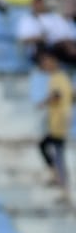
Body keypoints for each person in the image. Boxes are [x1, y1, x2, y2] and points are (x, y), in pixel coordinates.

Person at [38, 50, 72, 197]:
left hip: (59, 122)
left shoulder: (58, 77)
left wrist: (44, 102)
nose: (45, 65)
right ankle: (60, 179)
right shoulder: (62, 78)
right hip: (61, 121)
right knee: (54, 150)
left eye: (46, 61)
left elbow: (57, 95)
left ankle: (60, 180)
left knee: (49, 148)